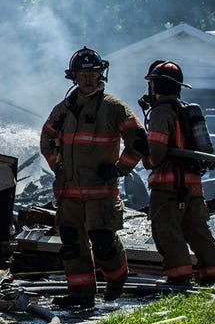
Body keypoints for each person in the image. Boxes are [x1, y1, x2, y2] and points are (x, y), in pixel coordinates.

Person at [40, 46, 148, 310]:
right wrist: (60, 168)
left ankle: (117, 278)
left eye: (94, 74)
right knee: (72, 246)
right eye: (82, 74)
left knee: (104, 245)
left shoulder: (114, 108)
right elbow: (46, 141)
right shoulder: (62, 110)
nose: (88, 79)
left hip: (101, 193)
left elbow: (139, 141)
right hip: (69, 195)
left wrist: (120, 168)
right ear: (73, 77)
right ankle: (81, 295)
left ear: (101, 75)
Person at [138, 60, 215, 286]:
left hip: (168, 188)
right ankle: (213, 275)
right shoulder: (186, 110)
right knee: (197, 231)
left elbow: (156, 155)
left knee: (167, 232)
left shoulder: (160, 113)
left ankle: (179, 278)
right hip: (193, 186)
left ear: (154, 86)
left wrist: (142, 151)